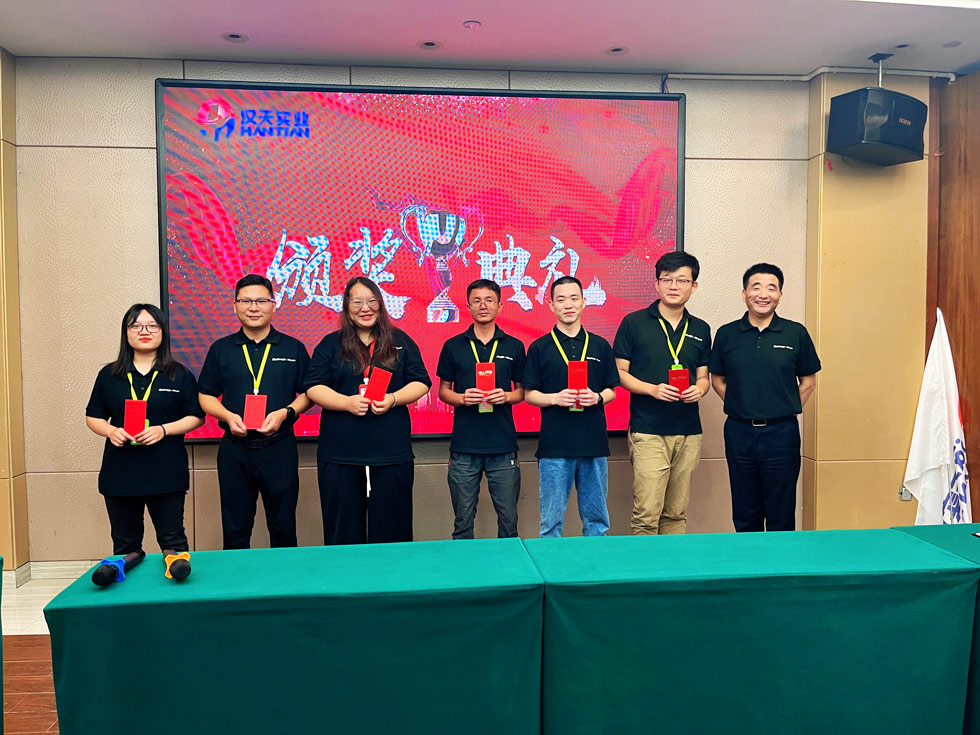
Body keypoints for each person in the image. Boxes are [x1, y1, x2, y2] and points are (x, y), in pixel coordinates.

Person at [305, 276, 431, 544]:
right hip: (340, 452)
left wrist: (393, 399)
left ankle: (390, 572)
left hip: (390, 451)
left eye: (372, 301)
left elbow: (421, 381)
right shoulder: (331, 344)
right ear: (346, 306)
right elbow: (313, 387)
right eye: (357, 302)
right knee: (342, 531)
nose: (365, 308)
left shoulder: (399, 341)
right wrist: (347, 403)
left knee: (393, 530)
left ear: (381, 305)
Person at [84, 304, 205, 576]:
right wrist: (110, 431)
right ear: (126, 333)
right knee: (125, 543)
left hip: (166, 471)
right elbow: (93, 416)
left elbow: (196, 417)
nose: (144, 331)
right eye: (136, 326)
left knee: (173, 539)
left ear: (163, 332)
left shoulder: (179, 373)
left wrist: (163, 430)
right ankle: (126, 586)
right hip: (120, 472)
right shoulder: (109, 375)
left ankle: (177, 581)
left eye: (152, 326)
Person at [198, 274, 312, 549]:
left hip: (279, 448)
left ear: (273, 304)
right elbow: (205, 395)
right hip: (235, 449)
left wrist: (286, 413)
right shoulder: (221, 349)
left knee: (283, 527)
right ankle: (236, 577)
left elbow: (310, 393)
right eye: (246, 301)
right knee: (235, 529)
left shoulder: (293, 348)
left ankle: (282, 577)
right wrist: (227, 416)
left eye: (261, 301)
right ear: (235, 306)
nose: (253, 307)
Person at [709, 263, 821, 532]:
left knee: (781, 509)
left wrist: (783, 407)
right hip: (739, 432)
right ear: (744, 293)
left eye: (771, 288)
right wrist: (741, 405)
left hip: (781, 433)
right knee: (745, 509)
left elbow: (808, 381)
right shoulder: (727, 334)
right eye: (756, 287)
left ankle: (781, 560)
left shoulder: (795, 333)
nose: (763, 294)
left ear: (780, 295)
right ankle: (749, 559)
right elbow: (717, 379)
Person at [614, 251, 711, 535]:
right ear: (656, 284)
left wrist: (699, 390)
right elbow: (619, 373)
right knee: (646, 514)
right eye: (667, 279)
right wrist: (652, 390)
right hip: (649, 430)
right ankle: (645, 565)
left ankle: (673, 564)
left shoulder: (700, 328)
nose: (673, 286)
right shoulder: (634, 323)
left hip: (688, 432)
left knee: (676, 514)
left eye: (682, 280)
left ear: (693, 286)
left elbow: (704, 377)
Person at [524, 276, 619, 538]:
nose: (568, 305)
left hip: (594, 445)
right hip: (555, 447)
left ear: (584, 302)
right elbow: (529, 394)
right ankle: (551, 564)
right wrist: (555, 398)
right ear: (551, 305)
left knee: (597, 522)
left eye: (574, 298)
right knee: (551, 523)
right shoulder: (539, 347)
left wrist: (597, 398)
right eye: (561, 299)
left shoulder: (600, 345)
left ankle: (596, 563)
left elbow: (612, 390)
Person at [437, 279, 526, 539]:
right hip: (464, 448)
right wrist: (463, 398)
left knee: (508, 522)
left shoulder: (514, 346)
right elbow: (443, 391)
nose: (483, 305)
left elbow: (522, 392)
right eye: (476, 301)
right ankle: (467, 565)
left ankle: (508, 566)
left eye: (489, 300)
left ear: (500, 306)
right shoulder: (453, 346)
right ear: (468, 307)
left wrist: (506, 396)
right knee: (463, 522)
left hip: (503, 447)